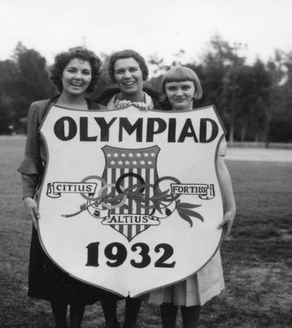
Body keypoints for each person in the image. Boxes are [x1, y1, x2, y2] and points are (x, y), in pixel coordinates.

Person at [17, 47, 106, 328]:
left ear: (92, 78)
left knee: (80, 268)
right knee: (55, 267)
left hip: (90, 205)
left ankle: (77, 323)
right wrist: (27, 196)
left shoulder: (102, 112)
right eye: (72, 70)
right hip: (51, 202)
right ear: (61, 74)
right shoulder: (40, 108)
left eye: (85, 72)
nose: (78, 77)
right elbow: (32, 156)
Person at [142, 66, 236, 328]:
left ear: (196, 90)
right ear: (165, 93)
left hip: (197, 208)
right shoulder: (153, 122)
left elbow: (219, 167)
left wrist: (231, 207)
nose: (179, 92)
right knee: (167, 275)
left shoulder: (208, 122)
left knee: (194, 273)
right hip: (163, 209)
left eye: (186, 86)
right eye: (172, 88)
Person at [94, 49, 165, 328]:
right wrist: (111, 115)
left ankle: (131, 322)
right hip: (107, 190)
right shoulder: (100, 103)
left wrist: (152, 115)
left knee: (139, 258)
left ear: (143, 72)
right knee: (105, 260)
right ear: (114, 77)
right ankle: (111, 320)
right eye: (120, 71)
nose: (127, 75)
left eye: (132, 69)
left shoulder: (161, 105)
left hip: (145, 191)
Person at [95, 49, 163, 111]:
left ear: (142, 71)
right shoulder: (95, 107)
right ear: (113, 76)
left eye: (133, 70)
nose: (127, 76)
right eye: (120, 71)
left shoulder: (165, 106)